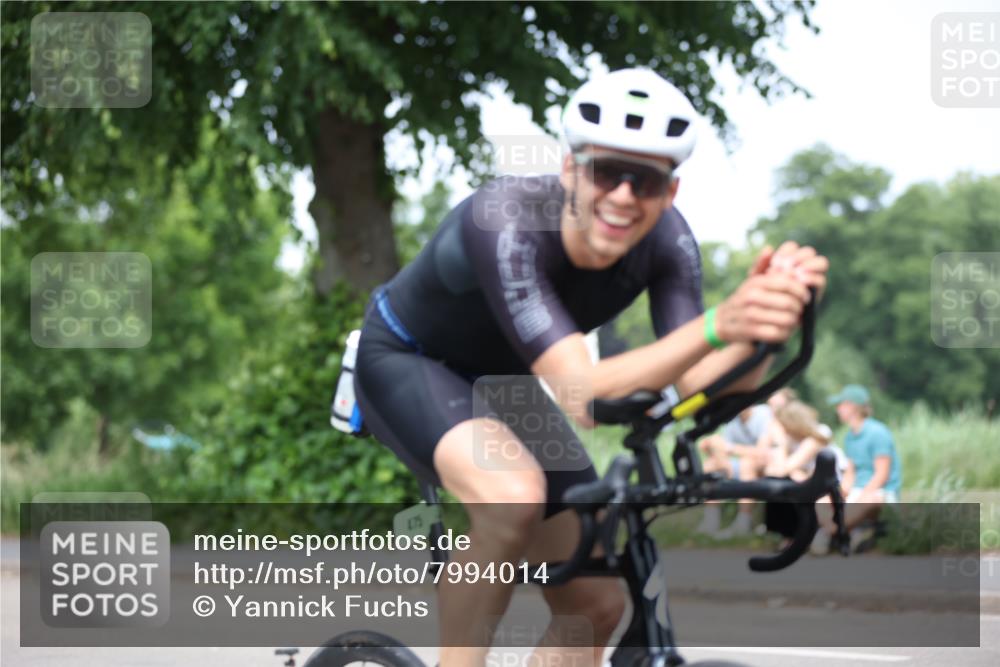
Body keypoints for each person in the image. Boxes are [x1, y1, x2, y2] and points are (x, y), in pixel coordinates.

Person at [353, 68, 829, 667]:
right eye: (606, 172)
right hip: (410, 360)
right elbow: (581, 393)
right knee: (512, 498)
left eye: (646, 181)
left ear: (670, 193)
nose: (624, 197)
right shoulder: (506, 223)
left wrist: (764, 328)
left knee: (596, 606)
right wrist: (720, 325)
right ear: (570, 171)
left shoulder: (670, 244)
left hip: (509, 384)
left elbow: (701, 386)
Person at [813, 384, 902, 554]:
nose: (838, 409)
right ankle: (841, 533)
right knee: (822, 502)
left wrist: (860, 496)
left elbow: (882, 474)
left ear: (851, 406)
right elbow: (850, 474)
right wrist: (839, 493)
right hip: (858, 491)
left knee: (867, 499)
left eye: (840, 405)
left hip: (880, 492)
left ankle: (830, 533)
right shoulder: (850, 437)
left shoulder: (878, 433)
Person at [695, 403, 772, 536]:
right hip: (740, 463)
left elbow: (762, 452)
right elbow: (724, 449)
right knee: (709, 466)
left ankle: (744, 520)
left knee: (747, 464)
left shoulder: (764, 414)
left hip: (764, 464)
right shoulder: (733, 418)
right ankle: (712, 518)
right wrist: (714, 449)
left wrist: (731, 448)